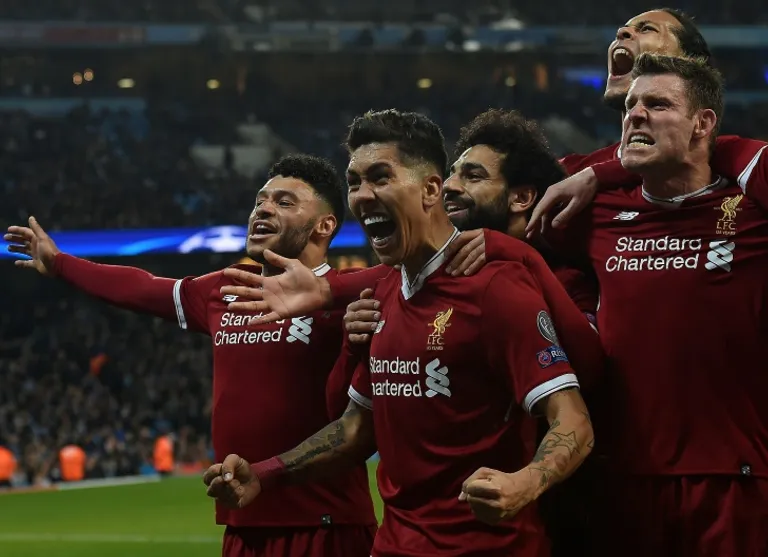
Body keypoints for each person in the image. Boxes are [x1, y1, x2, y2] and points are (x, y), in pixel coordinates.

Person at [204, 110, 600, 557]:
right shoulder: (382, 293)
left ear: (431, 190)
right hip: (393, 544)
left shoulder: (496, 288)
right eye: (354, 182)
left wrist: (523, 483)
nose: (362, 195)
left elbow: (574, 422)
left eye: (380, 177)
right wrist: (264, 474)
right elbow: (356, 428)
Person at [5, 154, 380, 557]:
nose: (264, 209)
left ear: (325, 225)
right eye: (260, 201)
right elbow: (140, 287)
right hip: (243, 524)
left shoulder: (349, 296)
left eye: (284, 202)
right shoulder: (226, 289)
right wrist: (61, 264)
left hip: (326, 525)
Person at [503, 54, 768, 557]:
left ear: (703, 123)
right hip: (623, 483)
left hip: (733, 478)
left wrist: (600, 172)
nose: (636, 114)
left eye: (658, 104)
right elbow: (496, 224)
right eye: (630, 106)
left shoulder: (752, 209)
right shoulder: (590, 212)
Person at [527, 8, 762, 234]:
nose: (621, 32)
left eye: (647, 29)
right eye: (623, 29)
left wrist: (601, 174)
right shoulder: (568, 175)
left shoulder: (742, 162)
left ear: (689, 63)